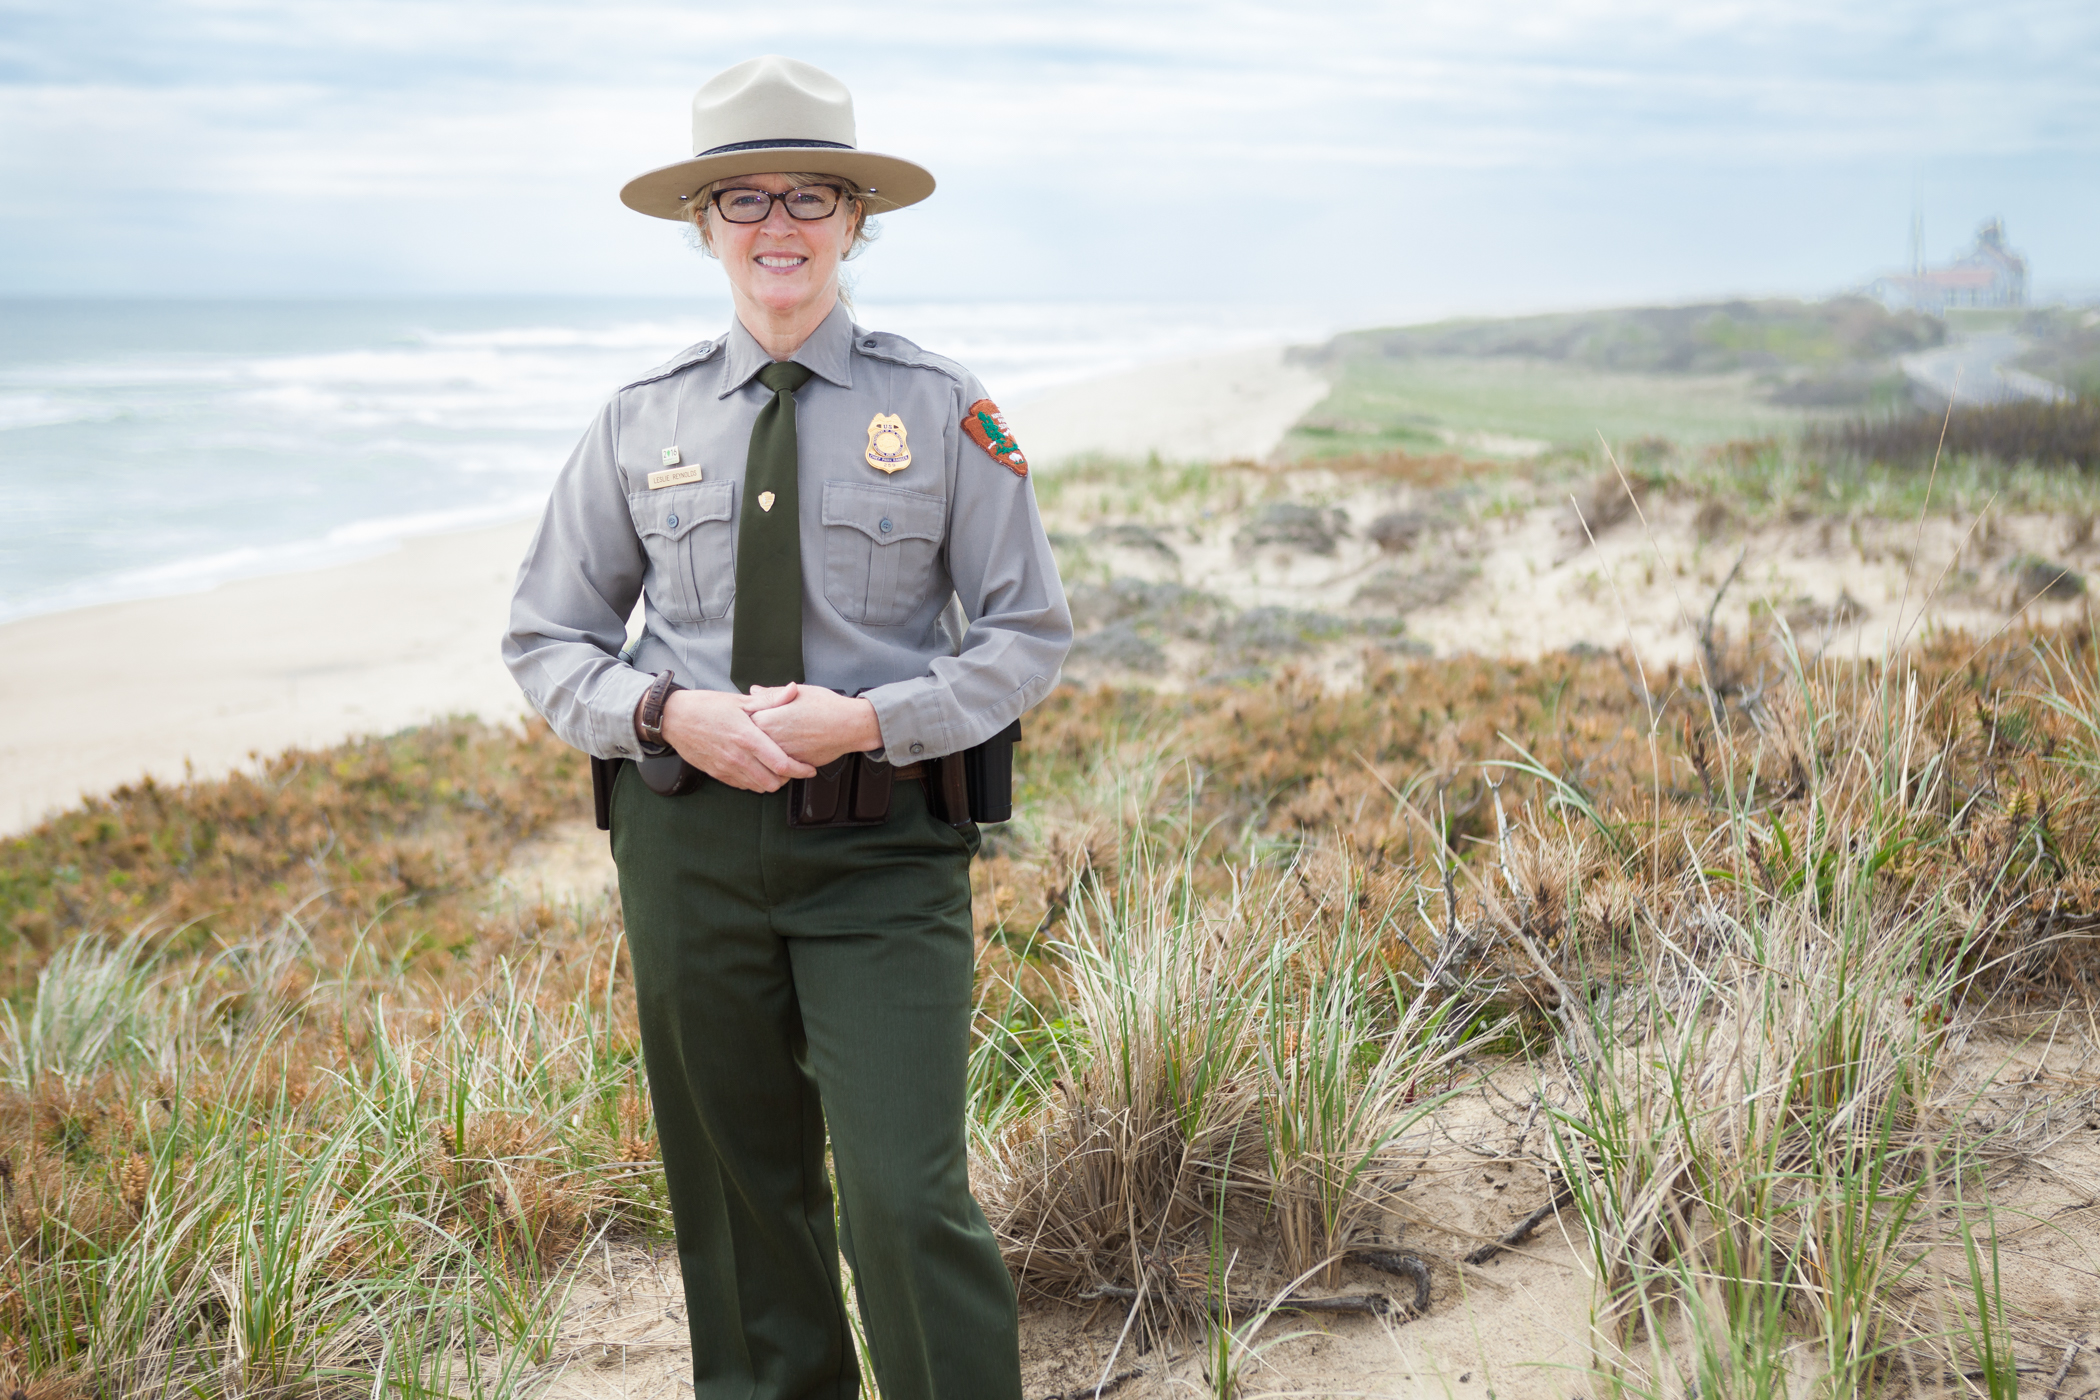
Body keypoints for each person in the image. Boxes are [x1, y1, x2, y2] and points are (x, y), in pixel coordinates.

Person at [502, 54, 1069, 1400]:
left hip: (880, 859)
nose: (777, 228)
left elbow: (1026, 635)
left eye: (808, 196)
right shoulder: (640, 419)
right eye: (743, 199)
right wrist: (661, 710)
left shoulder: (938, 406)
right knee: (739, 1204)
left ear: (856, 219)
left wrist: (869, 715)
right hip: (686, 855)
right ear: (704, 224)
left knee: (903, 1197)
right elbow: (546, 640)